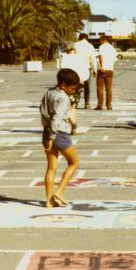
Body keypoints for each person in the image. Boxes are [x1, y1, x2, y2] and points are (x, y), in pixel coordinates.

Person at [39, 68, 81, 208]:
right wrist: (52, 137)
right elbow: (56, 119)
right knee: (74, 162)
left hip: (46, 132)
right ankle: (60, 191)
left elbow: (42, 110)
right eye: (72, 88)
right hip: (59, 134)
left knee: (51, 168)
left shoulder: (49, 92)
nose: (73, 91)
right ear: (63, 85)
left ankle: (49, 201)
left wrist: (48, 135)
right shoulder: (63, 97)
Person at [58, 45, 90, 111]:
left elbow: (63, 68)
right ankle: (74, 105)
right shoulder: (81, 57)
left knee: (69, 93)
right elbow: (86, 67)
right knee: (77, 93)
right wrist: (84, 77)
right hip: (79, 78)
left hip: (69, 78)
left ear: (67, 51)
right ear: (74, 50)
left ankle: (70, 105)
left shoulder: (65, 57)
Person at [73, 33, 97, 107]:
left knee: (76, 85)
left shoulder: (75, 45)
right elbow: (93, 59)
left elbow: (72, 56)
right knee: (87, 86)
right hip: (87, 68)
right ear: (87, 38)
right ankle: (87, 103)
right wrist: (95, 70)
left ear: (80, 38)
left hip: (77, 68)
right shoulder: (90, 46)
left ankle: (75, 102)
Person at [95, 35, 117, 110]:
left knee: (100, 88)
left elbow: (101, 57)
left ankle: (100, 105)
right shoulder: (112, 48)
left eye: (100, 41)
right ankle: (109, 105)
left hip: (103, 69)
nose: (100, 42)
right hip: (110, 70)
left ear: (103, 40)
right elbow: (114, 59)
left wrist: (102, 66)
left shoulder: (102, 47)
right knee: (109, 89)